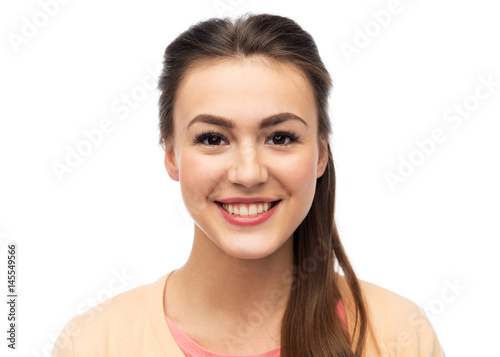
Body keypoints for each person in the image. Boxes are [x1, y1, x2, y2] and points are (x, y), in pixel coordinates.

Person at [52, 13, 445, 357]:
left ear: (321, 154)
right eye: (212, 138)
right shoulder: (93, 344)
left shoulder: (399, 335)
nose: (248, 173)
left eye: (280, 137)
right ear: (172, 155)